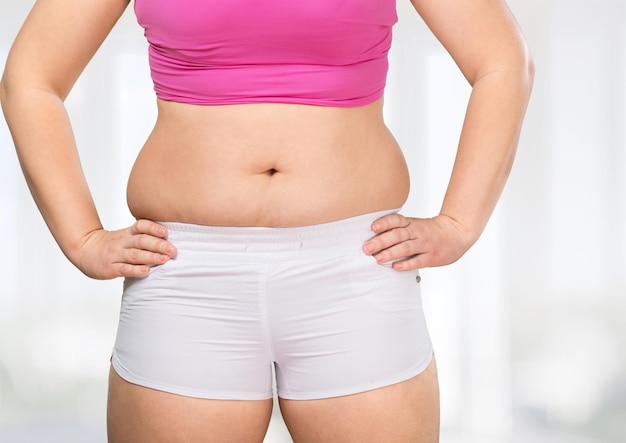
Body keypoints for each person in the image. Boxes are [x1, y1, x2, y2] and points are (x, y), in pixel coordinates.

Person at [0, 0, 533, 441]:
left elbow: (503, 60)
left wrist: (460, 222)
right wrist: (80, 237)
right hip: (186, 275)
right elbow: (30, 77)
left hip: (354, 266)